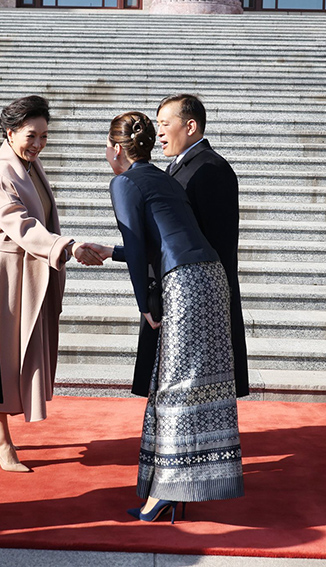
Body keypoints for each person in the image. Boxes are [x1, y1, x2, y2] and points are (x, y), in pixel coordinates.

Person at [93, 112, 244, 522]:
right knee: (182, 382)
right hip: (210, 278)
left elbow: (141, 249)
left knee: (175, 387)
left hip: (185, 284)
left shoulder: (123, 181)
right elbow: (164, 238)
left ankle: (165, 492)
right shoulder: (161, 176)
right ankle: (169, 485)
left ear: (116, 149)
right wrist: (110, 251)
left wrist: (145, 305)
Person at [0, 95, 104, 473]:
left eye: (44, 136)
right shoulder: (2, 170)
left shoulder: (28, 164)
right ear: (10, 132)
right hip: (9, 276)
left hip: (31, 272)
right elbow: (19, 223)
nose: (39, 143)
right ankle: (1, 440)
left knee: (16, 357)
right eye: (32, 135)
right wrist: (68, 246)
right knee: (5, 359)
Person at [155, 94, 249, 398]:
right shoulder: (179, 168)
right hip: (184, 293)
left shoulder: (211, 170)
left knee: (202, 381)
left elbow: (218, 244)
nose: (158, 133)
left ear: (190, 126)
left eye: (165, 124)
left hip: (202, 297)